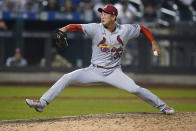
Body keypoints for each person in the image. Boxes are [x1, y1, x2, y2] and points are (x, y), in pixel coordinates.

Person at [26, 4, 175, 115]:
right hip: (94, 70)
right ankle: (42, 103)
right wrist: (64, 29)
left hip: (114, 72)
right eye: (102, 13)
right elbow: (75, 26)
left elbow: (142, 28)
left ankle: (164, 107)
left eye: (106, 14)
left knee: (135, 88)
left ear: (114, 17)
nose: (102, 16)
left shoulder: (125, 30)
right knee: (67, 77)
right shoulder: (95, 28)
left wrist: (153, 42)